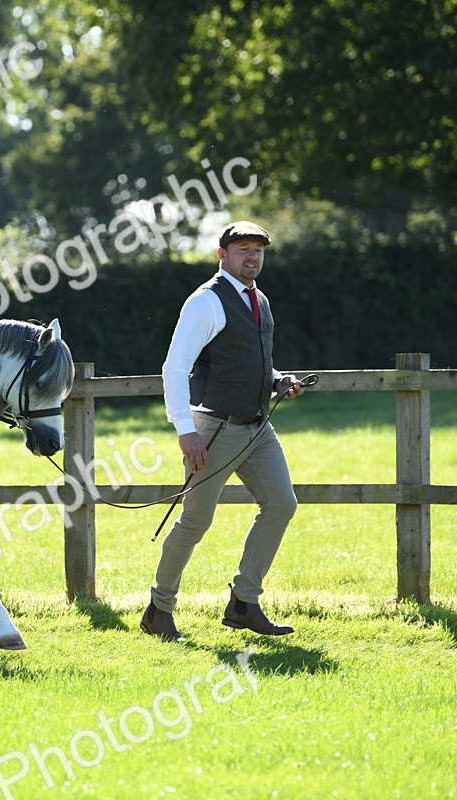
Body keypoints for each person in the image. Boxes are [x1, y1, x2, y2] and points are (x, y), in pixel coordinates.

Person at [141, 220, 306, 642]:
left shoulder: (259, 299)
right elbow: (174, 368)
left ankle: (244, 602)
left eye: (258, 249)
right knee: (195, 521)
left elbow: (249, 360)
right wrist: (185, 430)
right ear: (223, 254)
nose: (252, 256)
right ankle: (159, 610)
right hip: (213, 429)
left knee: (282, 504)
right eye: (242, 249)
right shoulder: (205, 301)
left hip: (257, 427)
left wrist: (277, 380)